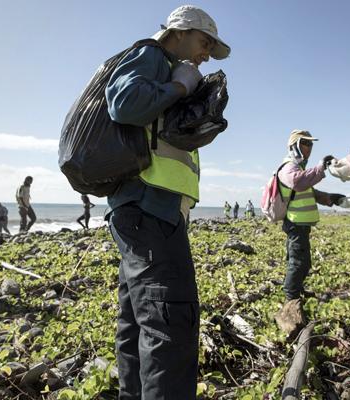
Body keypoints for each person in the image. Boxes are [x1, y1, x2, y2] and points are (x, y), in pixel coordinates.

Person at [104, 5, 230, 399]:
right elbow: (123, 102)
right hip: (150, 211)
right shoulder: (154, 56)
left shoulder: (166, 67)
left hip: (145, 213)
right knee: (169, 324)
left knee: (138, 322)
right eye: (204, 42)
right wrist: (180, 86)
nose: (205, 54)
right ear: (180, 31)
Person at [274, 130, 346, 335]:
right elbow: (298, 182)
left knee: (301, 261)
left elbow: (310, 191)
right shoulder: (288, 167)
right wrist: (321, 167)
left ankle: (297, 291)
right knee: (298, 261)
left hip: (302, 224)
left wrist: (331, 198)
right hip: (295, 223)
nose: (309, 147)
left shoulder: (300, 169)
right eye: (305, 143)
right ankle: (291, 299)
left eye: (311, 144)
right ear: (294, 145)